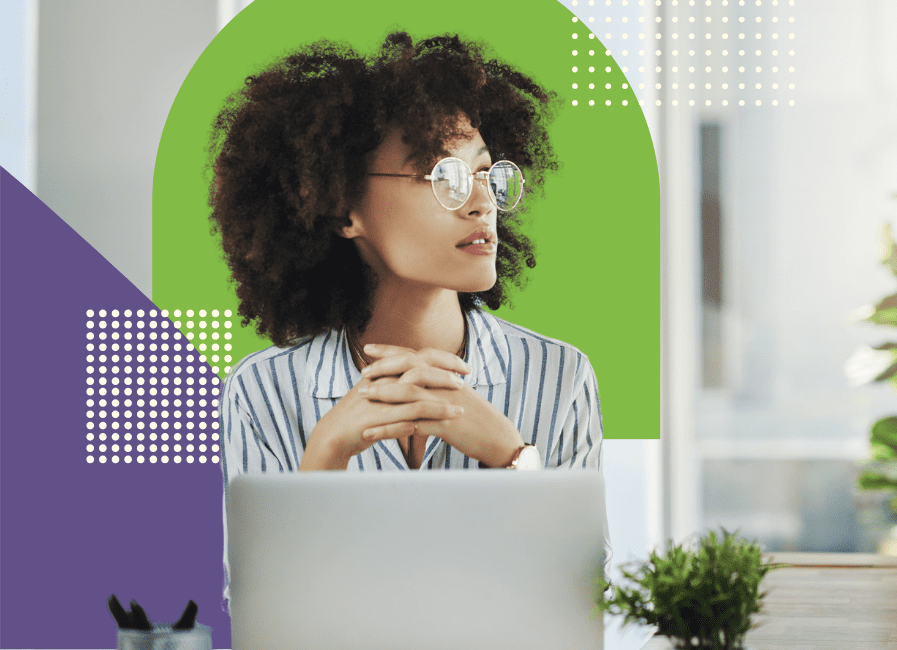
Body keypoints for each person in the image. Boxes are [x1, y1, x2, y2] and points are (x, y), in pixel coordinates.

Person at [209, 32, 605, 605]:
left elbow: (580, 604)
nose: (481, 202)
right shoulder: (262, 392)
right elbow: (262, 618)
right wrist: (325, 457)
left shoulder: (561, 379)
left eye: (486, 174)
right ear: (345, 207)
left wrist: (512, 457)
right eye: (442, 178)